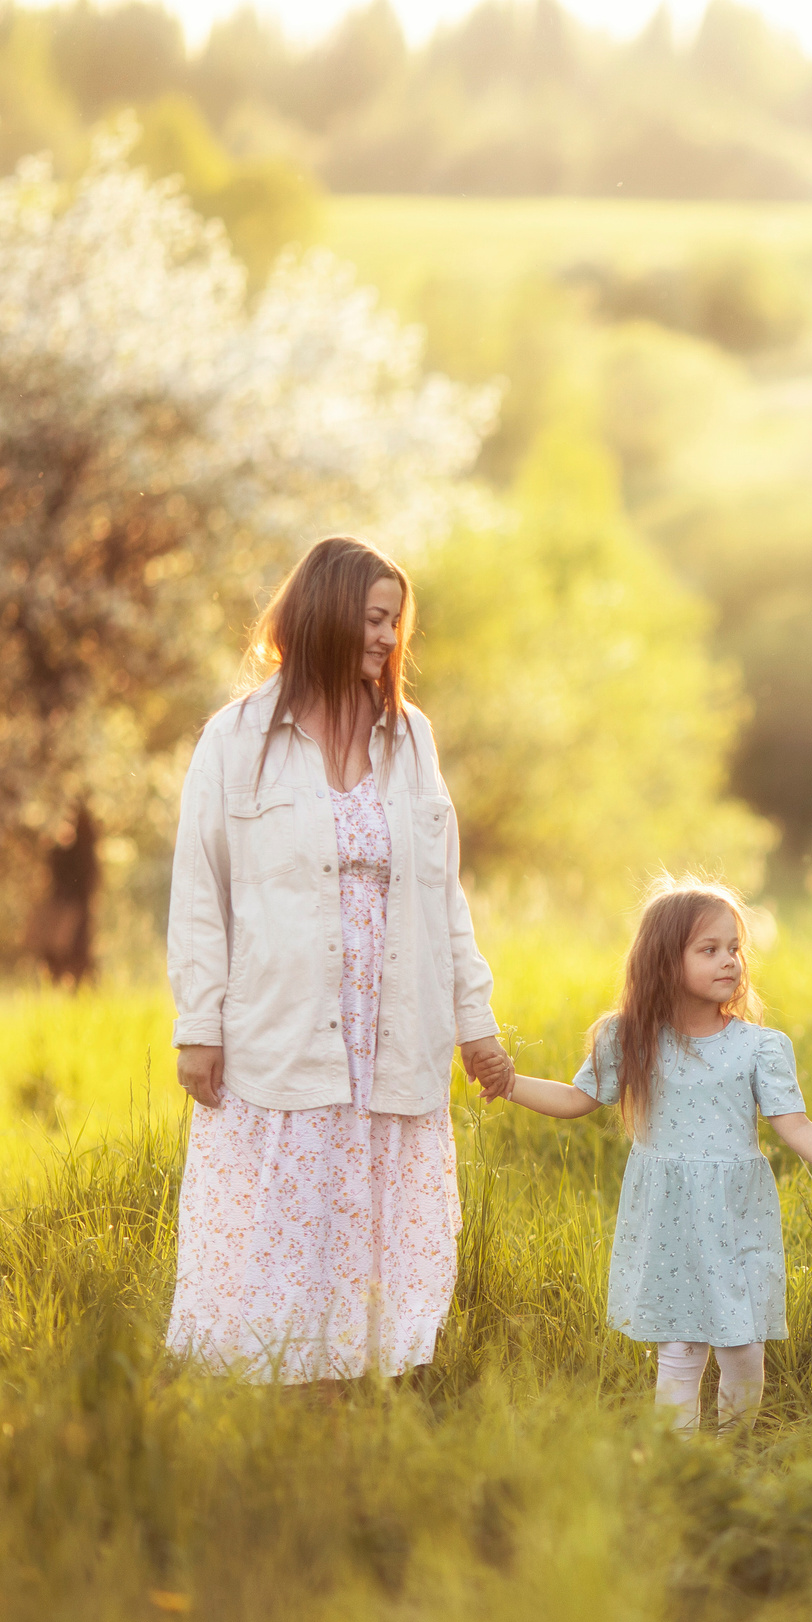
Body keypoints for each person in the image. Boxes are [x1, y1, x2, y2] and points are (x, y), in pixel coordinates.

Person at [167, 536, 514, 1385]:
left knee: (372, 1223)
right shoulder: (236, 738)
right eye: (373, 618)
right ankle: (273, 1394)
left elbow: (443, 892)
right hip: (281, 1026)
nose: (390, 639)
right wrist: (197, 1025)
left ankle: (360, 1395)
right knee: (281, 1217)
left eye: (396, 621)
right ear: (322, 614)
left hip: (392, 1027)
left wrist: (477, 1024)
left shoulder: (410, 737)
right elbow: (199, 892)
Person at [500, 877, 812, 1430]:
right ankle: (680, 1465)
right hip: (670, 1217)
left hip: (736, 1216)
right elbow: (576, 1099)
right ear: (666, 961)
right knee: (681, 1349)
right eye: (709, 950)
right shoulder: (630, 1037)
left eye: (735, 948)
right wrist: (508, 1081)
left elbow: (798, 1127)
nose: (729, 961)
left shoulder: (760, 1047)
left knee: (743, 1350)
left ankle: (733, 1452)